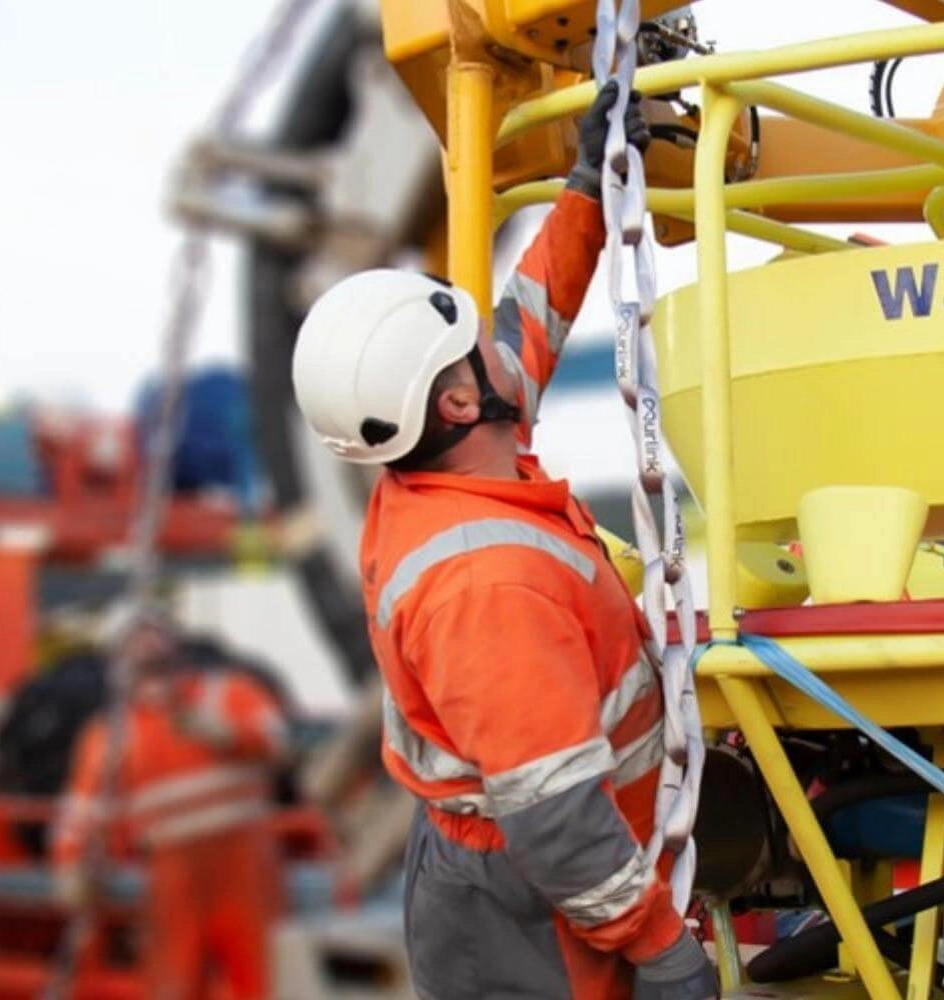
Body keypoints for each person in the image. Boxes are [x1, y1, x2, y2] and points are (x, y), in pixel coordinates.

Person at [293, 82, 717, 1000]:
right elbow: (559, 823)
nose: (498, 340)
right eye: (471, 339)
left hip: (523, 870)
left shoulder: (449, 460)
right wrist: (660, 950)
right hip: (533, 911)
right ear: (456, 402)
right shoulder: (488, 588)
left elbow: (534, 314)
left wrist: (582, 188)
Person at [52, 611, 289, 1000]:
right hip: (171, 878)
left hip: (246, 870)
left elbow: (279, 743)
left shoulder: (227, 693)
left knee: (266, 984)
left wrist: (230, 735)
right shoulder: (111, 733)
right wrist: (70, 863)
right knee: (173, 986)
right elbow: (83, 812)